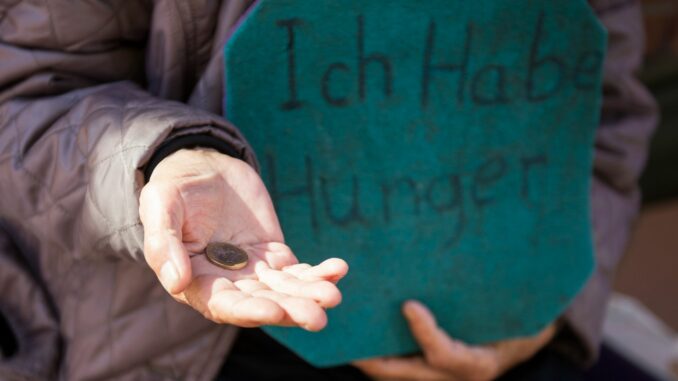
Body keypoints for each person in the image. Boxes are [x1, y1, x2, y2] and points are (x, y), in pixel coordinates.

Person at [0, 1, 657, 380]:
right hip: (188, 337)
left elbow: (604, 111)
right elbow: (25, 92)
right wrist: (160, 157)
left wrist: (548, 309)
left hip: (493, 322)